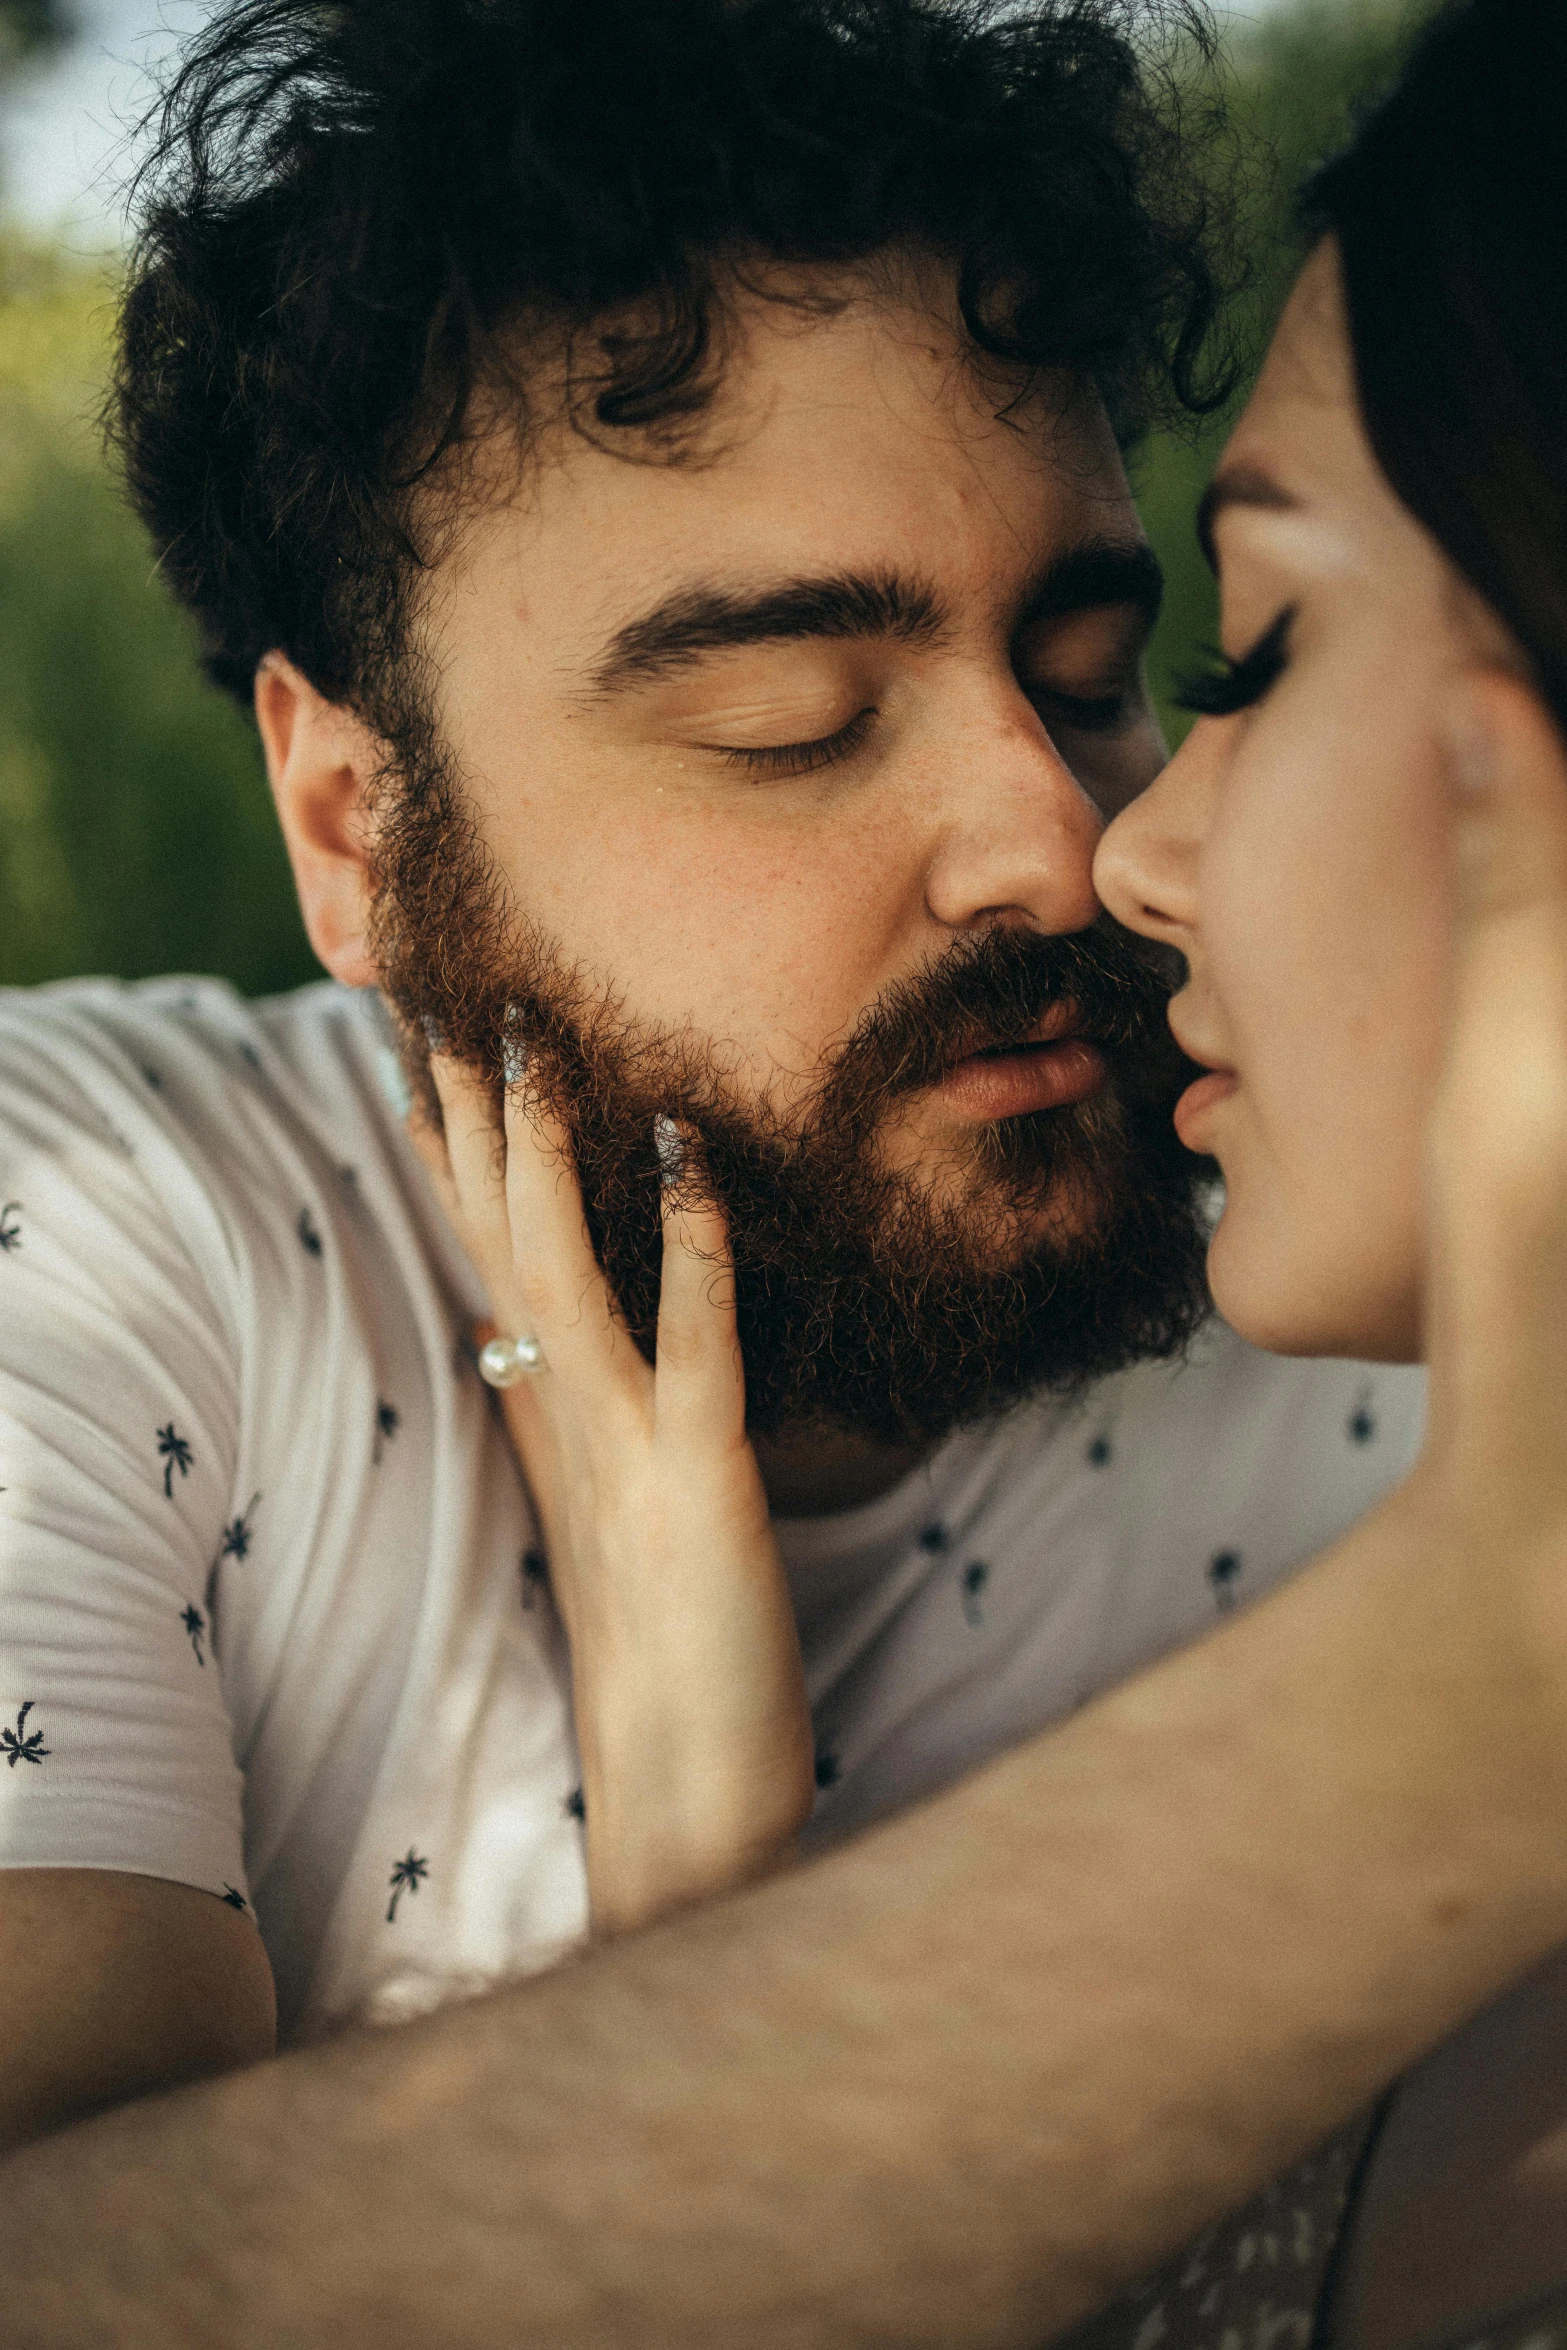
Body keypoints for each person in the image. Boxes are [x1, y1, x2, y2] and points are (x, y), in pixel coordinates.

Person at [3, 2, 1566, 2347]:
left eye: (1105, 658)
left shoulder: (1382, 1322)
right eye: (792, 724)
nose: (1066, 841)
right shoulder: (108, 1245)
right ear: (352, 818)